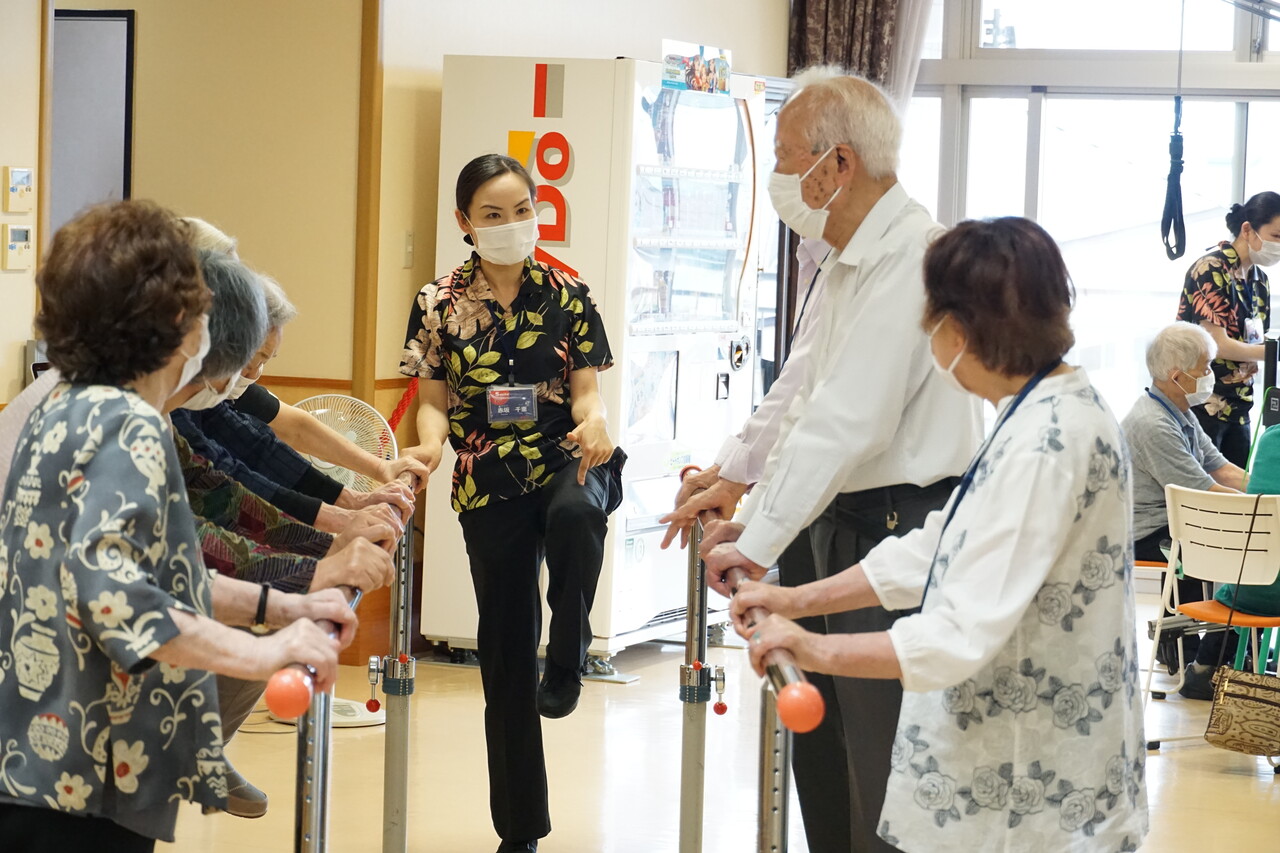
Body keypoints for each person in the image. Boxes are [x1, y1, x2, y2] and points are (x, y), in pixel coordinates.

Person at [729, 217, 1149, 852]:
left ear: (960, 330)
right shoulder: (1042, 409)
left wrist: (813, 651)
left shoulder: (1047, 443)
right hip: (1018, 767)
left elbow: (958, 633)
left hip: (1031, 788)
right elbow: (940, 544)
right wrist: (796, 601)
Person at [0, 201, 359, 850]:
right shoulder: (125, 424)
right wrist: (266, 651)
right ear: (177, 325)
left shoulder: (68, 405)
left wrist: (285, 606)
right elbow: (126, 604)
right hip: (76, 765)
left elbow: (158, 569)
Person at [697, 66, 984, 851]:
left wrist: (755, 544)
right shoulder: (850, 257)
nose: (779, 178)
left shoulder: (913, 256)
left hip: (898, 527)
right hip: (842, 520)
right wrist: (754, 517)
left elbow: (846, 421)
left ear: (838, 165)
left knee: (881, 769)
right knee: (823, 756)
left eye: (785, 159)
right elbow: (804, 402)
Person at [399, 154, 623, 853]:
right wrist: (429, 446)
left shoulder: (568, 292)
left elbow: (586, 393)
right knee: (503, 650)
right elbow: (432, 403)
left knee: (577, 514)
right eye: (492, 214)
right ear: (464, 222)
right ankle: (519, 830)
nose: (511, 223)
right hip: (486, 471)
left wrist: (596, 421)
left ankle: (571, 650)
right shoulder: (438, 302)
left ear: (537, 210)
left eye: (522, 210)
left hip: (563, 453)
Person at [659, 231, 851, 850]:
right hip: (805, 508)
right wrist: (737, 487)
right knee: (819, 738)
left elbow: (818, 408)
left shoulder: (870, 257)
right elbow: (796, 404)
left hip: (852, 512)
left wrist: (750, 508)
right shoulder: (816, 255)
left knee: (854, 742)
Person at [1124, 322, 1246, 649]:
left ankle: (1214, 653)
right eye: (1205, 368)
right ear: (1177, 376)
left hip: (1174, 519)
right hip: (1146, 532)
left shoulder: (1178, 410)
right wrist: (1263, 507)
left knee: (1247, 540)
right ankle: (1210, 658)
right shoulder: (1153, 424)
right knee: (1243, 548)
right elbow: (1203, 493)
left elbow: (1221, 469)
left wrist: (1265, 486)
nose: (1211, 375)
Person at [1175, 191, 1280, 466]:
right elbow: (1217, 345)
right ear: (1247, 229)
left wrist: (1270, 350)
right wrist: (1273, 353)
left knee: (1238, 486)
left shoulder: (1259, 280)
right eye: (1276, 236)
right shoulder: (1210, 269)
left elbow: (1254, 342)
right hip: (1202, 402)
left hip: (1239, 405)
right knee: (1201, 485)